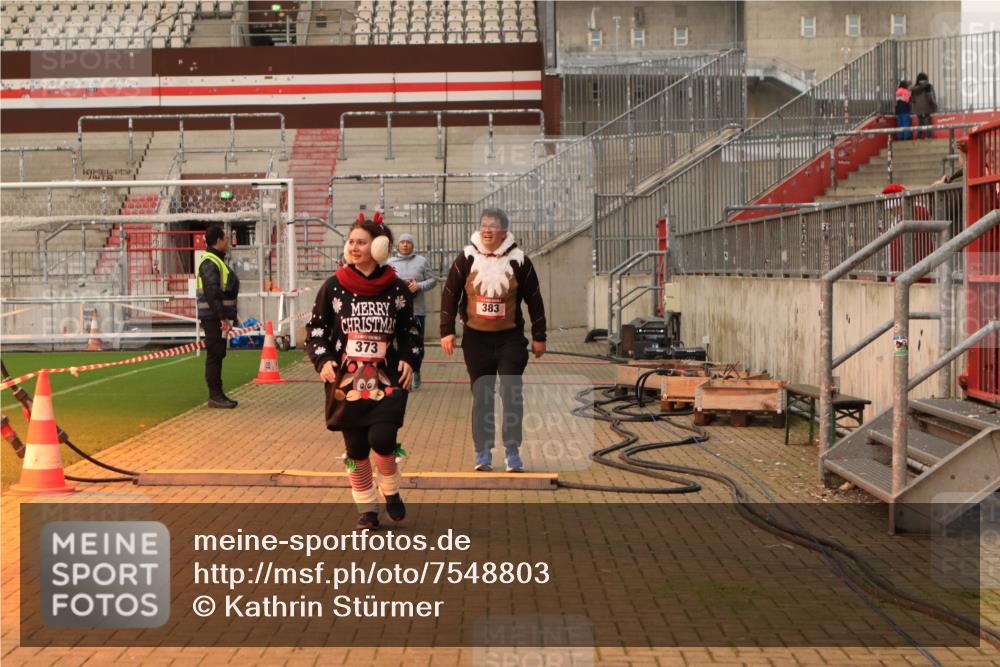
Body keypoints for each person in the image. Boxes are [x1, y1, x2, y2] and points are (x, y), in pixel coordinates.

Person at [305, 211, 423, 530]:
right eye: (351, 242)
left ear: (380, 247)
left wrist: (410, 360)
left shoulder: (396, 289)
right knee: (356, 449)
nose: (355, 247)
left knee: (382, 439)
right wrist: (323, 359)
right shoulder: (333, 287)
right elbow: (316, 330)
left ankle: (391, 490)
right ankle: (367, 509)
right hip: (347, 381)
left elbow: (410, 330)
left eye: (362, 242)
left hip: (386, 378)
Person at [439, 207, 546, 473]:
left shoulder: (520, 261)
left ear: (504, 232)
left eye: (493, 226)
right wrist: (446, 330)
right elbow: (450, 293)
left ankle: (512, 451)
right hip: (476, 340)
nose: (487, 230)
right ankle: (483, 452)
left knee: (511, 393)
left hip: (510, 338)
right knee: (482, 395)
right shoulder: (466, 258)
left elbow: (534, 299)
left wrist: (539, 336)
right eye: (483, 225)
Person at [197, 226, 240, 409]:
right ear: (218, 241)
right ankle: (215, 395)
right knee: (215, 355)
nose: (227, 241)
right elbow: (212, 292)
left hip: (216, 316)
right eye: (225, 238)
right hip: (213, 317)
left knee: (218, 354)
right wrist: (222, 317)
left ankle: (218, 394)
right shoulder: (210, 262)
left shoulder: (215, 260)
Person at [387, 233, 437, 390]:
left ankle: (416, 371)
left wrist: (419, 286)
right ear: (398, 246)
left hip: (417, 311)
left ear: (412, 245)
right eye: (402, 242)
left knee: (417, 343)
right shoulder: (390, 263)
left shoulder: (422, 261)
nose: (405, 245)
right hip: (397, 312)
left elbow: (433, 280)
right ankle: (401, 375)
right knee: (398, 343)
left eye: (408, 242)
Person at [910, 72, 937, 139]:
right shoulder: (928, 86)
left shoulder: (914, 88)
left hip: (917, 108)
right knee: (927, 122)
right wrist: (934, 104)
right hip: (927, 107)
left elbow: (912, 99)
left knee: (920, 122)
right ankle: (928, 136)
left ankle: (919, 137)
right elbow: (930, 97)